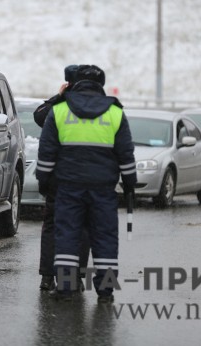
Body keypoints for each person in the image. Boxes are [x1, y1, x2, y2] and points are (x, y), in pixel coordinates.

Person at [36, 65, 136, 303]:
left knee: (67, 235)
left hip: (68, 188)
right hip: (103, 189)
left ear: (73, 84)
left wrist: (43, 181)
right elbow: (126, 153)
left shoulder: (59, 111)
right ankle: (106, 291)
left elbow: (47, 151)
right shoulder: (115, 113)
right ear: (100, 86)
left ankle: (67, 286)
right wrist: (130, 183)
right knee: (105, 238)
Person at [34, 65, 90, 292]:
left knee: (52, 227)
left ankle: (48, 276)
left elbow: (39, 115)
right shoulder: (99, 107)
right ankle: (74, 277)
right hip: (87, 178)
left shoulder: (59, 108)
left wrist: (59, 96)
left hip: (59, 178)